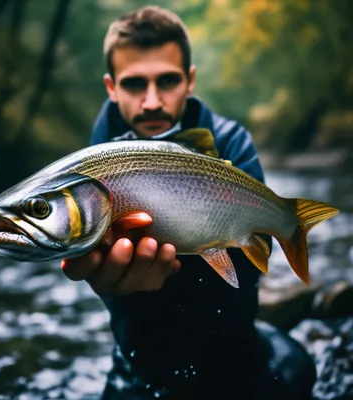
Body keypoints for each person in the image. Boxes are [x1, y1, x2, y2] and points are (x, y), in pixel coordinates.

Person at [61, 6, 317, 400]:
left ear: (190, 81)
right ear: (111, 88)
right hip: (141, 360)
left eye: (167, 81)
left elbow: (252, 268)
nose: (151, 102)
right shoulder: (94, 162)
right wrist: (114, 286)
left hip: (229, 351)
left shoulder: (230, 143)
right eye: (134, 85)